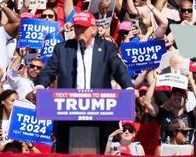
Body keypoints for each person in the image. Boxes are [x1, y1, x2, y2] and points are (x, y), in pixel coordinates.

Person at [34, 11, 134, 154]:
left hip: (100, 114)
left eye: (83, 27)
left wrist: (128, 87)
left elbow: (119, 69)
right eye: (77, 27)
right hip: (67, 113)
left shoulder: (107, 48)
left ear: (93, 29)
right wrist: (40, 85)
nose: (79, 31)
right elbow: (48, 71)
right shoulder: (62, 49)